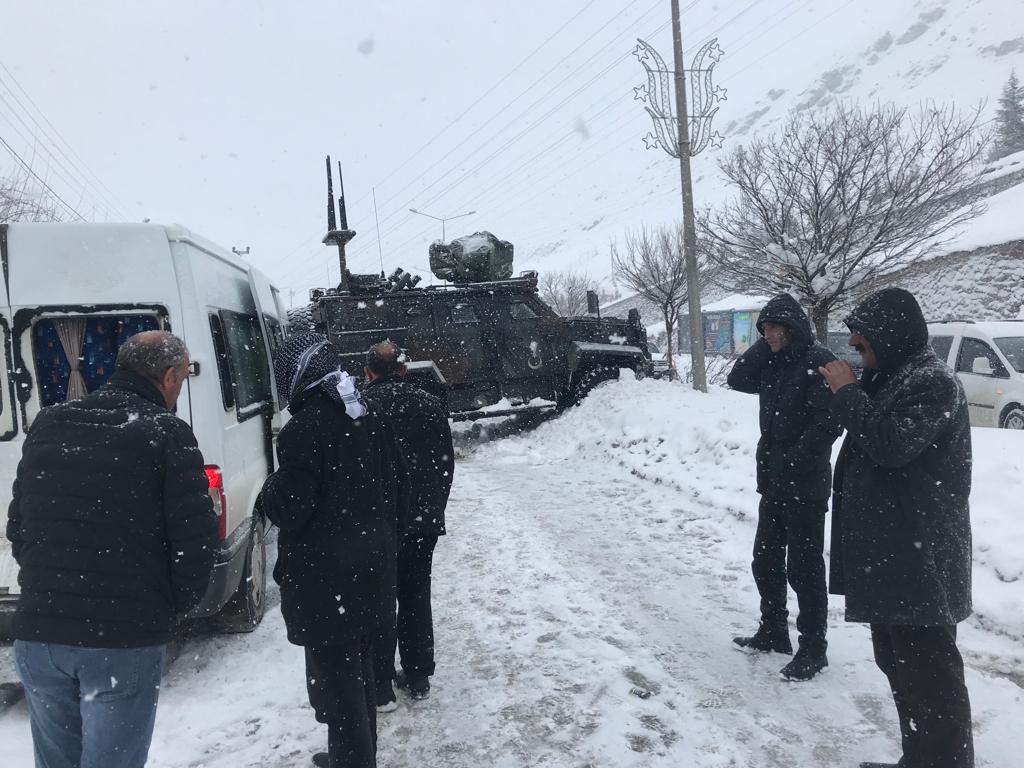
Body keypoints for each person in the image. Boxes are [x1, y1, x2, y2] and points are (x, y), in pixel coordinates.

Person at [7, 330, 217, 768]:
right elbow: (194, 545)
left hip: (40, 638)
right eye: (182, 378)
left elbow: (19, 528)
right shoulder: (167, 433)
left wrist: (52, 590)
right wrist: (168, 609)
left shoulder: (50, 421)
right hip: (121, 641)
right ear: (168, 375)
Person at [819, 287, 973, 768]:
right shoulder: (888, 377)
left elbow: (889, 444)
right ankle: (918, 759)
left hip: (919, 557)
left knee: (932, 681)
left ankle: (945, 762)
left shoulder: (931, 383)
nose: (855, 346)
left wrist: (848, 392)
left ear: (893, 333)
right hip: (892, 554)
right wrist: (851, 390)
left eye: (862, 339)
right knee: (901, 669)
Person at [259, 332, 408, 768]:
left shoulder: (303, 430)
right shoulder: (366, 413)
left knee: (340, 682)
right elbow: (399, 482)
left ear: (297, 374)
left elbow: (289, 508)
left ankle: (352, 760)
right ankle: (356, 755)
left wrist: (270, 488)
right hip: (371, 568)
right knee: (359, 671)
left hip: (329, 580)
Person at [726, 293, 841, 681]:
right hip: (774, 482)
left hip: (806, 485)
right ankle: (774, 630)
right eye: (764, 328)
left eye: (774, 327)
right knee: (766, 560)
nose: (768, 333)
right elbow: (736, 379)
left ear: (792, 328)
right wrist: (765, 345)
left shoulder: (819, 362)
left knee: (804, 569)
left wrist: (795, 459)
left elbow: (829, 424)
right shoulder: (772, 361)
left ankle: (813, 647)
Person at [363, 341, 454, 709]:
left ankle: (380, 678)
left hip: (378, 522)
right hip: (422, 519)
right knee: (416, 592)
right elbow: (445, 462)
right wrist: (433, 506)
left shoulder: (363, 409)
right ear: (403, 369)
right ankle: (418, 674)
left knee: (379, 598)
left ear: (368, 373)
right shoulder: (430, 405)